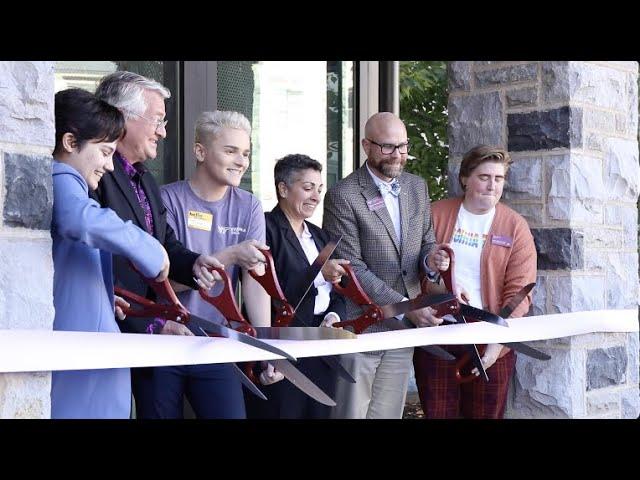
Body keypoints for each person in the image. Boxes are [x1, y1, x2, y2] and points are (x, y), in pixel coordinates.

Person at [92, 71, 223, 419]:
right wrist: (149, 325)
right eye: (158, 120)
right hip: (113, 334)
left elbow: (164, 245)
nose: (164, 132)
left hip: (156, 335)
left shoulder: (145, 178)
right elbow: (102, 270)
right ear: (122, 117)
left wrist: (193, 264)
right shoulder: (96, 176)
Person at [50, 88, 169, 419]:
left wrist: (102, 296)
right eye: (104, 152)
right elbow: (79, 219)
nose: (109, 166)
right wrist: (150, 249)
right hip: (81, 365)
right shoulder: (62, 177)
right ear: (71, 143)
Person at [323, 112, 449, 419]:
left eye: (403, 147)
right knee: (350, 414)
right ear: (366, 145)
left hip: (402, 330)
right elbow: (352, 270)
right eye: (388, 147)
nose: (398, 156)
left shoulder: (417, 187)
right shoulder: (343, 195)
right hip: (361, 326)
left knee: (388, 414)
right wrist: (408, 307)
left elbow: (426, 242)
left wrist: (431, 261)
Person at [159, 110, 271, 418]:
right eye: (231, 150)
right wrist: (230, 255)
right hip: (162, 339)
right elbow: (166, 281)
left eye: (246, 153)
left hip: (215, 342)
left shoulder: (249, 205)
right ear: (200, 151)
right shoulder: (166, 200)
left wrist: (264, 343)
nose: (241, 161)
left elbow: (255, 280)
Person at [413, 145, 537, 419]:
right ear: (465, 178)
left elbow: (519, 294)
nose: (492, 185)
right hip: (437, 338)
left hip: (488, 340)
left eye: (499, 178)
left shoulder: (515, 227)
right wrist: (433, 272)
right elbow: (415, 272)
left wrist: (496, 347)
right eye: (484, 177)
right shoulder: (435, 215)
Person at [244, 153, 350, 419]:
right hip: (284, 347)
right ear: (283, 188)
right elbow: (269, 291)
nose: (316, 196)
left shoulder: (320, 235)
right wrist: (317, 273)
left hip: (323, 348)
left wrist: (334, 317)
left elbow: (340, 289)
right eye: (307, 188)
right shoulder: (265, 229)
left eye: (319, 189)